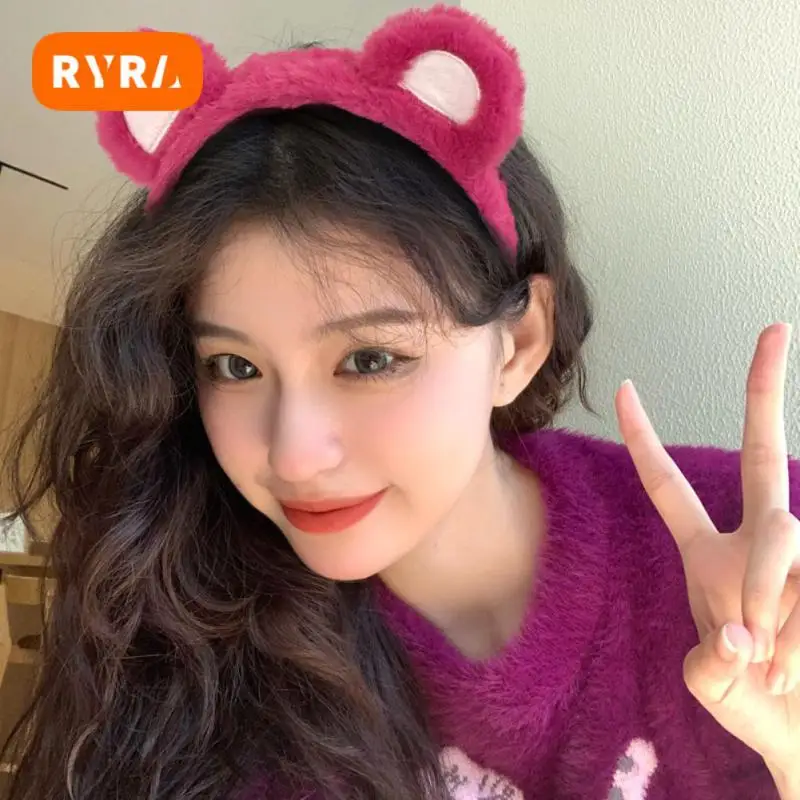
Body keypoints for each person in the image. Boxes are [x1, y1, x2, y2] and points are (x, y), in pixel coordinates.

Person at [1, 5, 798, 800]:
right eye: (235, 366)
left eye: (370, 359)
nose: (293, 455)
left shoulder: (764, 555)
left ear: (518, 343)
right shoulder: (184, 649)